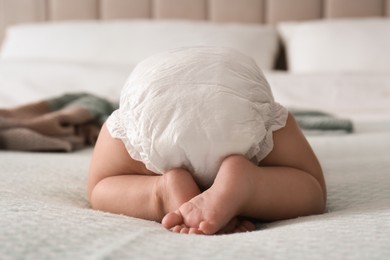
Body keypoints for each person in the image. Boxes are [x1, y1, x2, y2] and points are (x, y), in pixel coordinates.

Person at [87, 47, 327, 235]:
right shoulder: (237, 69)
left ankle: (162, 191)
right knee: (311, 188)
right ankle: (250, 183)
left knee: (100, 187)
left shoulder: (145, 79)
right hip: (237, 96)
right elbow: (314, 189)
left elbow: (98, 185)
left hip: (151, 105)